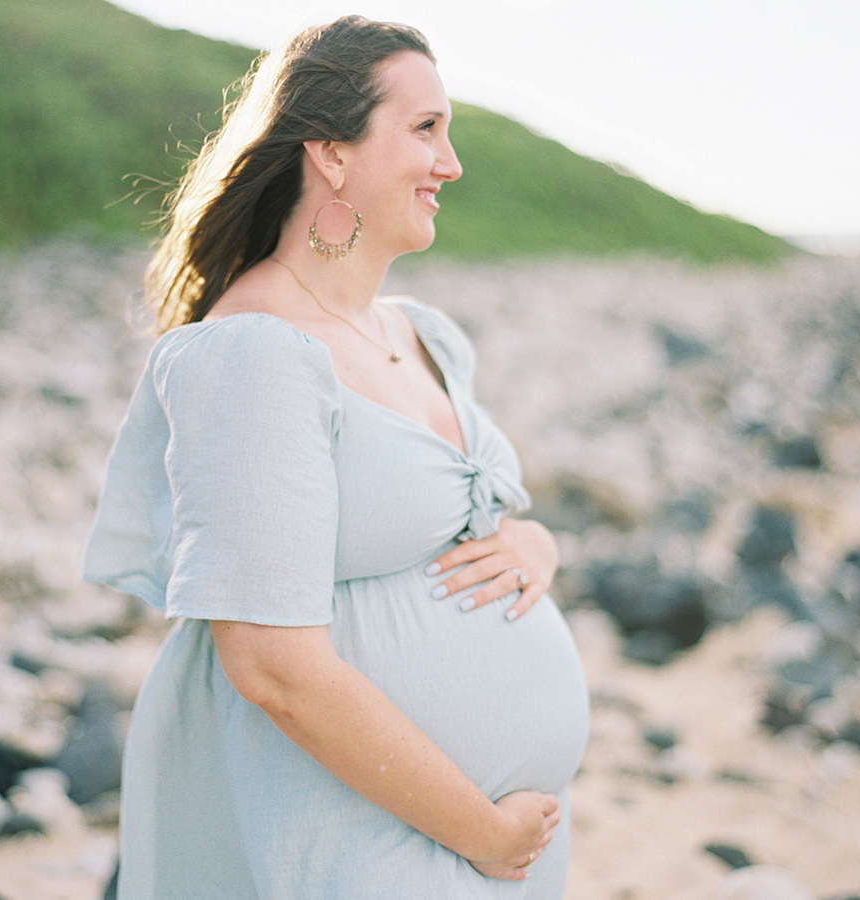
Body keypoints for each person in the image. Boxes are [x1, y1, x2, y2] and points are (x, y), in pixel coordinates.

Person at [83, 15, 588, 899]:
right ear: (332, 152)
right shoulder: (256, 354)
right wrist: (484, 832)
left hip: (486, 841)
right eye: (425, 129)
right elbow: (273, 668)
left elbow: (459, 527)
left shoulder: (422, 336)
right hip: (358, 832)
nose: (451, 162)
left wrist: (535, 548)